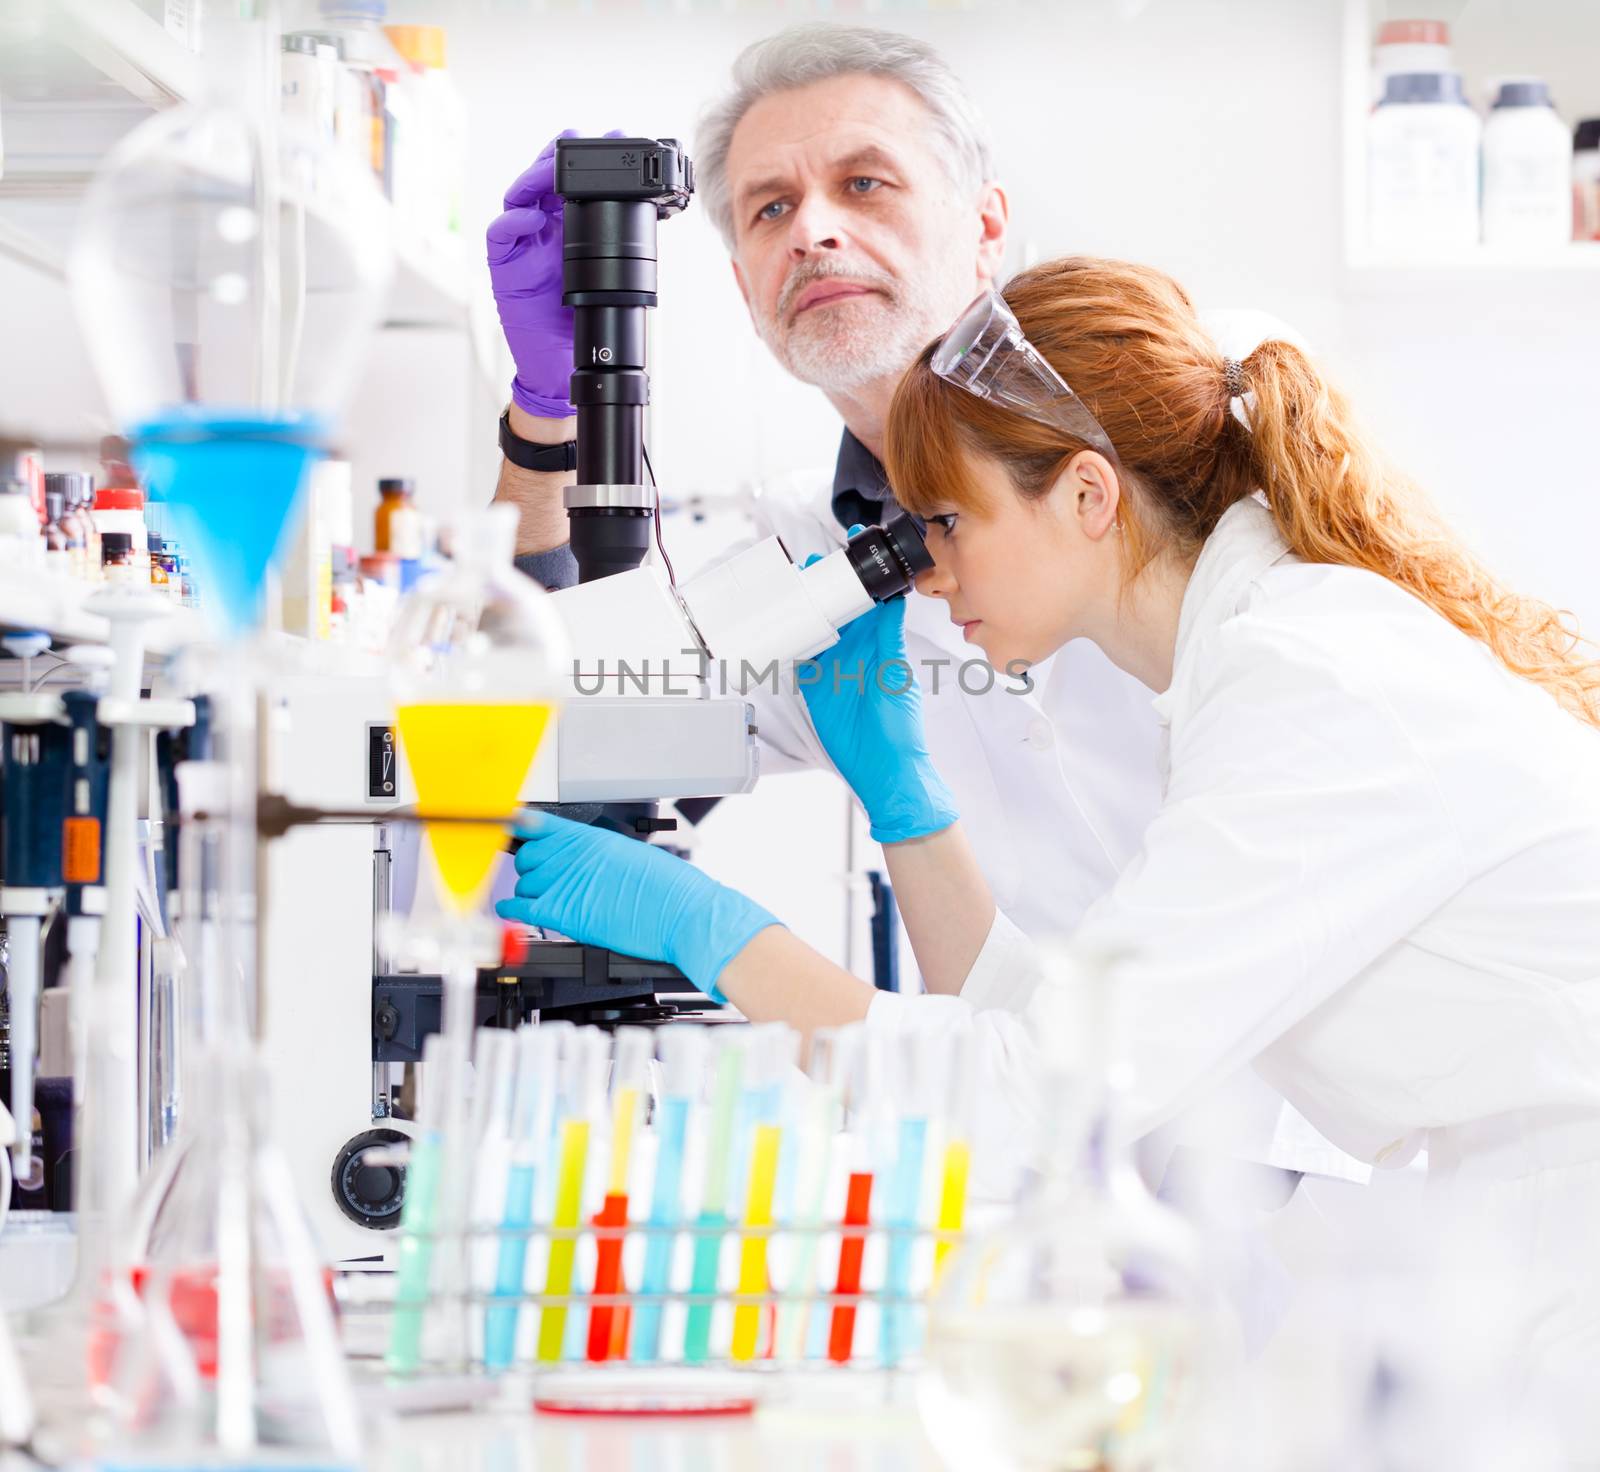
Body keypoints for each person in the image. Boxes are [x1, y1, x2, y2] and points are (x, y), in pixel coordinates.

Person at [496, 257, 1600, 1282]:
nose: (925, 573)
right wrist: (908, 807)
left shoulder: (1310, 690)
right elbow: (1077, 1033)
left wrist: (715, 931)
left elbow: (1036, 1098)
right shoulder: (1253, 658)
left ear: (1086, 494)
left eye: (945, 522)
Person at [486, 23, 1356, 1189]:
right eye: (768, 209)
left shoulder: (1179, 427)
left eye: (864, 183)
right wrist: (548, 414)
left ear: (985, 222)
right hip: (1040, 1152)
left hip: (1318, 1154)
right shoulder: (799, 554)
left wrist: (719, 932)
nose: (816, 229)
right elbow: (563, 725)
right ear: (743, 287)